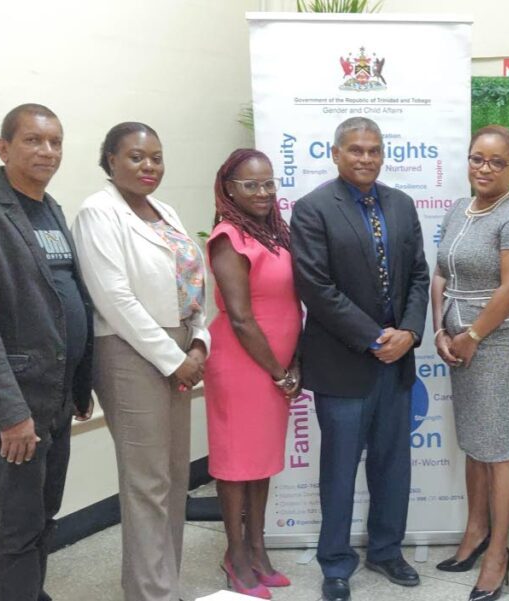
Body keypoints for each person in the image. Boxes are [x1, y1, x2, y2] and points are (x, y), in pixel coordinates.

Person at [0, 103, 94, 601]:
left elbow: (69, 297)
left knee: (44, 512)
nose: (47, 151)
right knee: (17, 524)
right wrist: (11, 416)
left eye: (55, 142)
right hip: (16, 407)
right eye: (33, 140)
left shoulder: (50, 209)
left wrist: (79, 383)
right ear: (3, 148)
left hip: (56, 399)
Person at [290, 117, 430, 601]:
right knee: (339, 468)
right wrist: (375, 338)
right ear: (335, 153)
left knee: (394, 465)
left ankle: (387, 551)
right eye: (355, 149)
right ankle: (335, 562)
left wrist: (409, 333)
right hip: (343, 363)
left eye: (373, 149)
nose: (366, 158)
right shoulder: (311, 210)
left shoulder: (402, 204)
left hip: (397, 364)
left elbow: (417, 274)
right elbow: (316, 288)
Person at [72, 122, 210, 601]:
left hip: (179, 347)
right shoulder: (97, 212)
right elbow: (114, 298)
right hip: (130, 353)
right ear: (110, 160)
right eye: (135, 156)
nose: (148, 166)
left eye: (156, 156)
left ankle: (160, 584)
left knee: (173, 477)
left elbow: (192, 284)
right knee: (146, 481)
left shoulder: (163, 210)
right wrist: (175, 360)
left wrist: (199, 344)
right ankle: (152, 594)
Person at [431, 125, 509, 601]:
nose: (485, 168)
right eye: (478, 158)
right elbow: (440, 273)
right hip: (456, 340)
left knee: (498, 450)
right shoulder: (460, 209)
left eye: (497, 161)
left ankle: (498, 553)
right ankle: (474, 533)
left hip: (497, 345)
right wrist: (440, 329)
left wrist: (473, 335)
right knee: (474, 444)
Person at [204, 149, 302, 599]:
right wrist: (279, 371)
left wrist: (291, 364)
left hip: (275, 369)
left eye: (268, 184)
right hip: (242, 366)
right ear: (229, 188)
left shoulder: (273, 234)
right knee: (235, 467)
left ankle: (259, 550)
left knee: (260, 465)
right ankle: (236, 555)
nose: (263, 192)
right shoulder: (228, 238)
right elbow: (241, 318)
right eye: (251, 185)